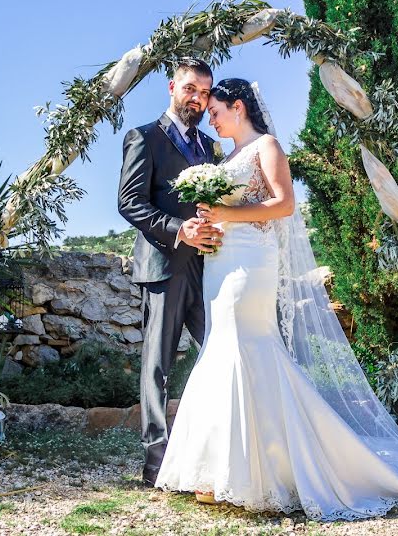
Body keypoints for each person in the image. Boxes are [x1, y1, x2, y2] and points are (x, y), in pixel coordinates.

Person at [154, 78, 398, 521]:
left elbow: (284, 205)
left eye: (216, 109)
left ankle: (262, 472)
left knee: (247, 350)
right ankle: (219, 470)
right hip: (221, 263)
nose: (210, 116)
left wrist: (228, 214)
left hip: (252, 267)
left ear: (238, 108)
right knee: (220, 350)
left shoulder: (265, 146)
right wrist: (212, 230)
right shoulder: (224, 157)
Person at [117, 58, 225, 488]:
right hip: (164, 266)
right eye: (190, 89)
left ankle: (218, 447)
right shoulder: (143, 137)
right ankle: (156, 463)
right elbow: (129, 202)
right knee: (158, 366)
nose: (197, 99)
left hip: (211, 268)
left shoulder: (210, 148)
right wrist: (179, 229)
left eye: (204, 92)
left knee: (223, 350)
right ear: (171, 87)